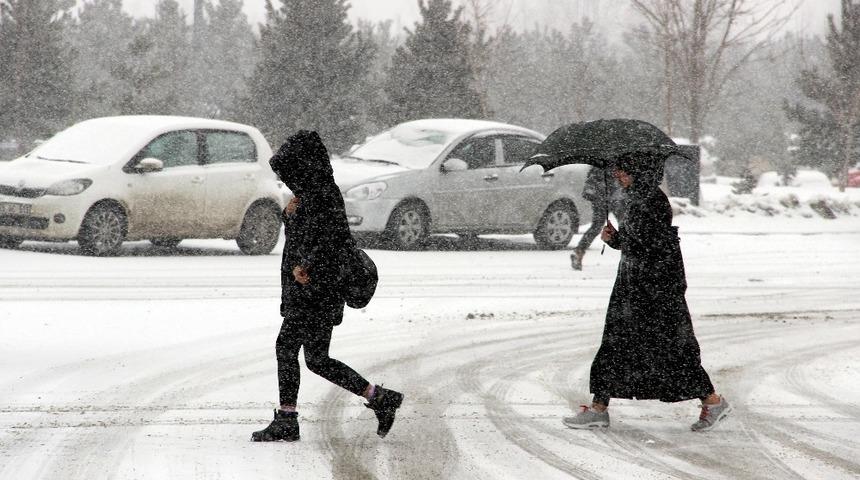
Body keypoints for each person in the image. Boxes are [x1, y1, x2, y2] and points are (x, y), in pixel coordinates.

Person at [251, 130, 403, 442]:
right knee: (316, 358)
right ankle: (379, 398)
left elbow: (330, 240)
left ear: (304, 165)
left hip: (317, 290)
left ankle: (288, 419)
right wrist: (290, 213)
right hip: (311, 289)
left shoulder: (321, 193)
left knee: (289, 349)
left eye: (291, 170)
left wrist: (307, 265)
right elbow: (309, 231)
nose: (286, 177)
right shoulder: (312, 192)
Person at [563, 151, 730, 432]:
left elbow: (650, 246)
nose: (617, 175)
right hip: (636, 286)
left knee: (671, 351)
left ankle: (712, 400)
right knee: (618, 347)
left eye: (623, 170)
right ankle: (599, 408)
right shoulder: (638, 198)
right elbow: (639, 244)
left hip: (653, 292)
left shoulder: (650, 201)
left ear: (639, 172)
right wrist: (617, 240)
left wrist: (619, 239)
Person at [570, 166, 624, 270]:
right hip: (606, 198)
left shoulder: (603, 163)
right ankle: (579, 252)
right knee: (621, 225)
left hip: (611, 197)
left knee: (621, 225)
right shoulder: (603, 165)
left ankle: (579, 252)